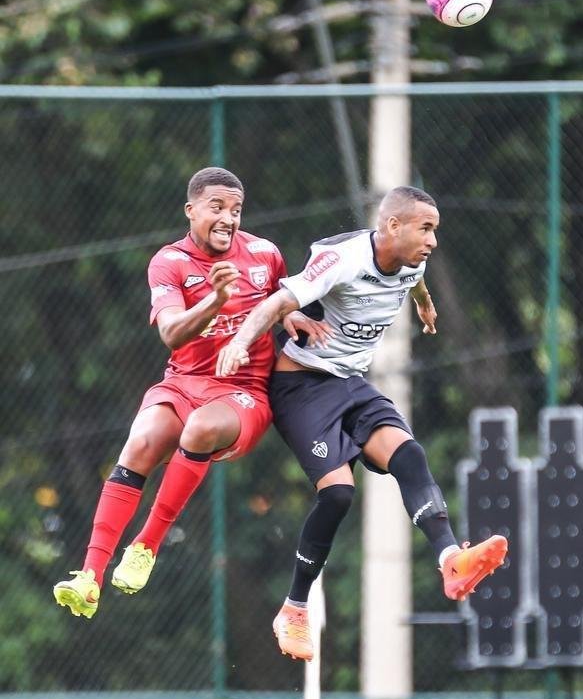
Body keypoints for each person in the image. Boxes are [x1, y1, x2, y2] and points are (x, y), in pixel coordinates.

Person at [216, 185, 508, 661]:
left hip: (351, 382)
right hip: (301, 386)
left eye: (435, 229)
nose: (433, 240)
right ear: (393, 226)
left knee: (409, 454)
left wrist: (424, 304)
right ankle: (293, 608)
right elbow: (276, 304)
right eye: (426, 228)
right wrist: (241, 342)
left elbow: (415, 278)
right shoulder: (344, 260)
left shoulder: (414, 260)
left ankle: (452, 560)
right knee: (337, 494)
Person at [53, 166, 327, 619]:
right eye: (216, 207)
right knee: (140, 442)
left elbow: (278, 302)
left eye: (236, 210)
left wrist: (289, 317)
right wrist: (214, 300)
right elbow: (172, 334)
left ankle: (146, 547)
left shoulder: (264, 253)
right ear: (191, 210)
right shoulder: (169, 261)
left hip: (243, 393)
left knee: (200, 429)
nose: (228, 218)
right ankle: (90, 577)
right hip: (182, 383)